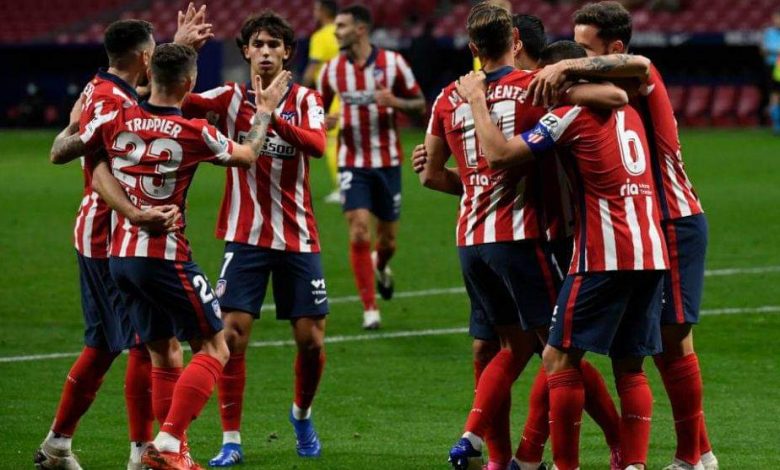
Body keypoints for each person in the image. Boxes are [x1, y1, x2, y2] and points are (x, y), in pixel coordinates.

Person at [51, 42, 288, 470]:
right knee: (215, 347)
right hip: (165, 256)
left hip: (119, 256)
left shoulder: (117, 117)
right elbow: (248, 154)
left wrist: (84, 127)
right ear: (190, 83)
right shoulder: (194, 131)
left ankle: (152, 456)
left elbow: (63, 151)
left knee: (161, 352)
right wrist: (266, 111)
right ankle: (168, 440)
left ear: (150, 77)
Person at [458, 37, 669, 470]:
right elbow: (621, 88)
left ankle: (564, 465)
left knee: (558, 358)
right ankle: (634, 464)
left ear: (559, 78)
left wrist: (477, 100)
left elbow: (498, 154)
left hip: (603, 254)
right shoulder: (632, 110)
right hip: (650, 250)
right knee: (631, 367)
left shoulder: (567, 114)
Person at [528, 3, 717, 468]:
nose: (577, 60)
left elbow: (643, 64)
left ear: (614, 49)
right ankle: (695, 454)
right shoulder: (606, 92)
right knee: (647, 350)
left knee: (672, 343)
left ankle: (694, 457)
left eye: (586, 50)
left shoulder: (638, 80)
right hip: (640, 224)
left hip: (671, 220)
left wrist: (567, 70)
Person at [36, 9, 210, 469]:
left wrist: (180, 48)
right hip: (110, 231)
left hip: (103, 230)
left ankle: (58, 445)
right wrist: (134, 212)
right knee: (148, 344)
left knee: (108, 343)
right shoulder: (115, 101)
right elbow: (93, 162)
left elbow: (146, 103)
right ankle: (142, 451)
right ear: (144, 57)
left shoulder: (102, 88)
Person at [181, 11, 329, 466]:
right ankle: (231, 440)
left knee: (311, 340)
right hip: (245, 235)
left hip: (298, 235)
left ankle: (301, 414)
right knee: (232, 335)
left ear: (287, 52)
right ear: (246, 51)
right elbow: (174, 100)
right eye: (258, 44)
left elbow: (317, 144)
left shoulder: (306, 99)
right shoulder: (228, 97)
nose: (265, 52)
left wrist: (270, 116)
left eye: (274, 45)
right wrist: (183, 50)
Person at [317, 4, 425, 329]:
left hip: (388, 162)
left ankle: (380, 263)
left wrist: (396, 102)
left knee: (388, 241)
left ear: (361, 29)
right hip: (352, 162)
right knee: (359, 228)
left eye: (341, 26)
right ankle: (370, 309)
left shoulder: (393, 63)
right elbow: (315, 112)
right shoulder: (330, 71)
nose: (335, 32)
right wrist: (323, 121)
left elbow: (420, 104)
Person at [303, 0, 343, 201]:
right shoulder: (345, 32)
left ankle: (343, 188)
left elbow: (313, 68)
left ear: (324, 11)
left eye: (316, 9)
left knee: (333, 141)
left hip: (332, 94)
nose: (314, 12)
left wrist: (302, 90)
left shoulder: (320, 36)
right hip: (351, 88)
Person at [763, 9, 780, 134]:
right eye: (776, 19)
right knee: (774, 95)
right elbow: (765, 50)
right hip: (773, 67)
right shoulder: (768, 32)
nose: (777, 21)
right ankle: (776, 124)